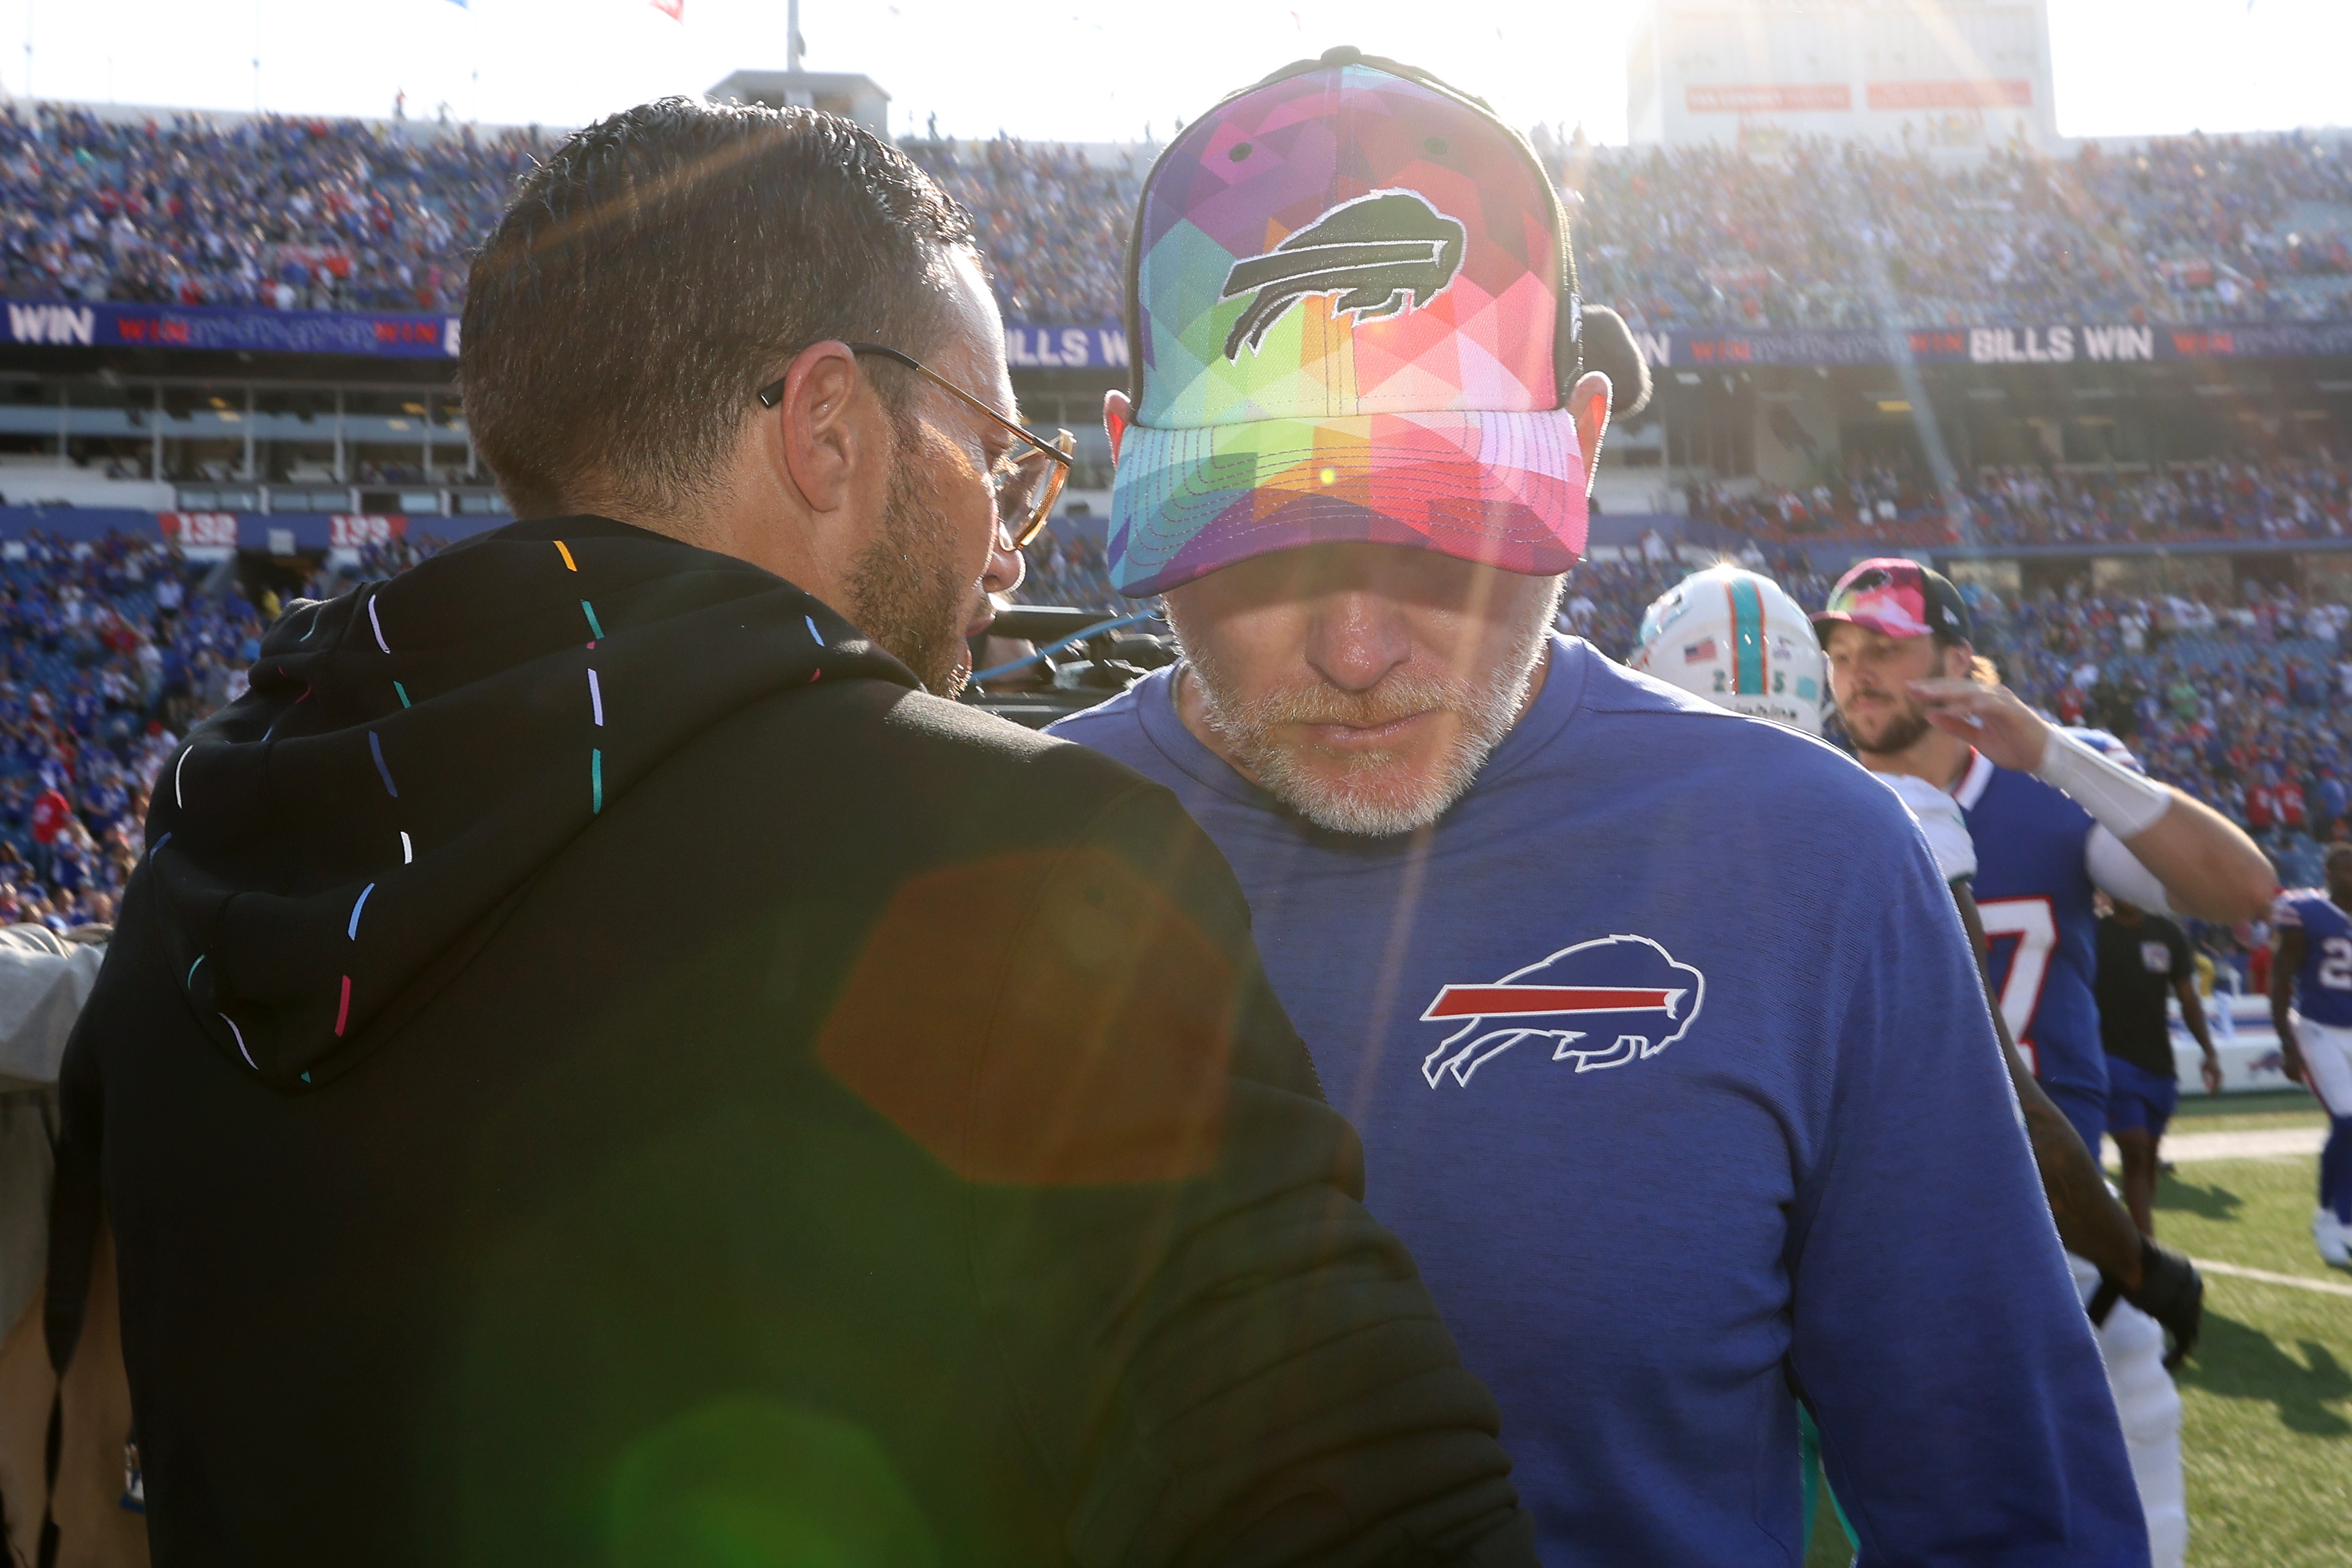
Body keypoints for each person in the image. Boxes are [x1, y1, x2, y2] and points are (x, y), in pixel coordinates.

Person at [47, 99, 1543, 1567]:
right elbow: (1367, 1509)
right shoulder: (1017, 851)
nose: (1013, 547)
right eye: (996, 458)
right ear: (831, 427)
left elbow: (81, 1482)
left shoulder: (209, 841)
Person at [1052, 49, 2147, 1565]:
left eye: (1450, 534)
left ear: (1575, 448)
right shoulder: (995, 864)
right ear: (1123, 469)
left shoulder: (1808, 865)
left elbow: (2005, 1517)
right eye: (1257, 543)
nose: (1357, 650)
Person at [1634, 564, 2206, 1560]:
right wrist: (2134, 1259)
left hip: (1682, 1265)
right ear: (1810, 684)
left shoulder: (1596, 826)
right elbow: (1992, 1094)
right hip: (1874, 1261)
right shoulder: (1884, 816)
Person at [1817, 558, 2276, 1568]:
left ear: (1959, 661)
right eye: (1844, 652)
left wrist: (2055, 755)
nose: (1858, 672)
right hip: (1877, 1228)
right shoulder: (1810, 797)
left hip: (2057, 1226)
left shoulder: (2041, 788)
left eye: (1885, 647)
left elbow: (2243, 890)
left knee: (2132, 1488)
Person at [2098, 899, 2222, 1236]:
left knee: (2148, 1156)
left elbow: (2188, 998)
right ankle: (2146, 1249)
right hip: (2111, 1058)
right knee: (2135, 1148)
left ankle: (2139, 1237)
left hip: (2158, 1063)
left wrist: (2209, 1052)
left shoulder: (2168, 933)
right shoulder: (2095, 933)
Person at [2269, 842, 2352, 1268]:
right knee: (2347, 1119)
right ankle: (2328, 1219)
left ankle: (2343, 1218)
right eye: (2344, 870)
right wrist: (2287, 1043)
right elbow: (2281, 978)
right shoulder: (2307, 914)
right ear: (2329, 875)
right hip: (2319, 1029)